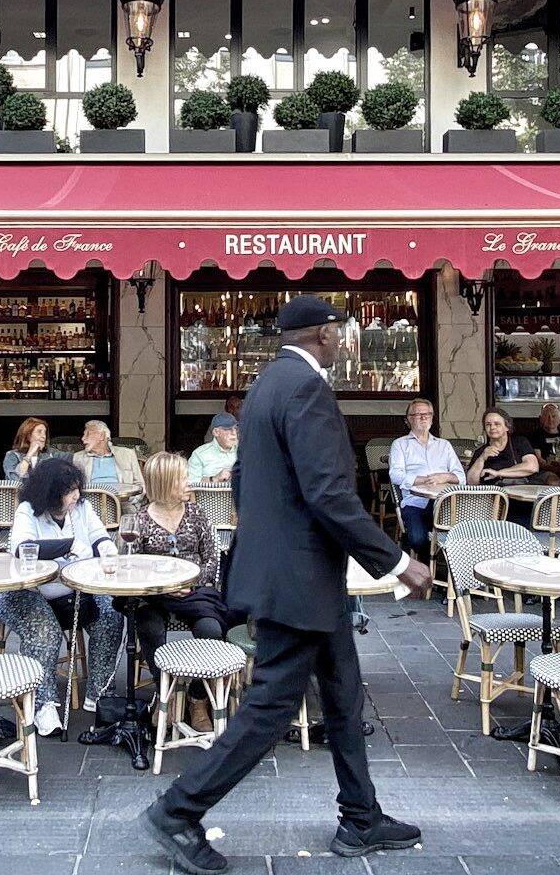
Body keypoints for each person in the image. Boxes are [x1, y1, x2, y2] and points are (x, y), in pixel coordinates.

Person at [145, 297, 429, 874]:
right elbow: (328, 492)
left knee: (344, 695)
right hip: (298, 584)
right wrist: (398, 561)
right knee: (271, 708)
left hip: (298, 578)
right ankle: (177, 811)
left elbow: (249, 481)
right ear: (323, 334)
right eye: (340, 332)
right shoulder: (306, 389)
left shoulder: (265, 387)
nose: (344, 341)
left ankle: (360, 817)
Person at [0, 457, 124, 740]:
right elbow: (22, 547)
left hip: (75, 589)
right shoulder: (28, 511)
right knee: (45, 633)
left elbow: (99, 535)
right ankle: (43, 705)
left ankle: (98, 694)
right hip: (28, 591)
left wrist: (106, 550)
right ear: (51, 493)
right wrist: (69, 545)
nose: (76, 495)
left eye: (78, 488)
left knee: (112, 615)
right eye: (69, 490)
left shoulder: (82, 508)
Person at [118, 452, 229, 684]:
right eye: (183, 478)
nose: (189, 483)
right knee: (149, 626)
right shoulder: (140, 520)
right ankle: (163, 693)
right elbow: (131, 566)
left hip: (194, 593)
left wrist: (190, 584)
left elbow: (211, 558)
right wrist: (164, 588)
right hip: (155, 595)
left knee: (211, 630)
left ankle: (198, 698)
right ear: (165, 483)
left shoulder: (197, 514)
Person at [387, 399, 463, 557]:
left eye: (427, 414)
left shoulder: (444, 445)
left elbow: (461, 477)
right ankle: (427, 565)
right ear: (408, 419)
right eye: (417, 414)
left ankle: (448, 565)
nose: (423, 418)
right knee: (418, 539)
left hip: (445, 504)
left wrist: (445, 476)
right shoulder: (400, 444)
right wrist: (424, 480)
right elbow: (395, 475)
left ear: (432, 418)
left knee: (463, 537)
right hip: (415, 503)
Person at [73, 419, 144, 501]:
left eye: (88, 434)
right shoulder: (78, 457)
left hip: (123, 504)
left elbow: (140, 485)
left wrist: (130, 500)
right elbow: (74, 488)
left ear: (102, 436)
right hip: (91, 505)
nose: (83, 438)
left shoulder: (127, 454)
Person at [186, 414, 238, 484]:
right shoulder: (199, 454)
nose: (234, 433)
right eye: (228, 429)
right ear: (216, 432)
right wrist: (215, 478)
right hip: (210, 495)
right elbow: (190, 484)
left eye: (235, 428)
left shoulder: (245, 452)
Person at [3, 416, 55, 481]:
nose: (44, 436)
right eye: (39, 432)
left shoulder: (50, 454)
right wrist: (29, 455)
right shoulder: (12, 455)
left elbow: (70, 458)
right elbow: (15, 479)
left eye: (45, 432)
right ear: (28, 435)